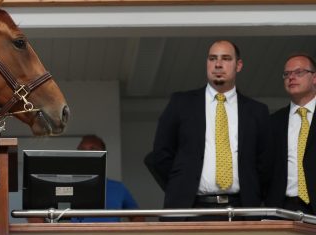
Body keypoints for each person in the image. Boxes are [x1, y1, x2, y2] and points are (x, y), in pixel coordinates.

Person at [144, 40, 270, 213]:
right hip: (189, 210)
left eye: (226, 58)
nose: (218, 64)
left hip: (242, 210)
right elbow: (161, 155)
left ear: (238, 65)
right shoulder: (181, 103)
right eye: (212, 59)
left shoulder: (257, 111)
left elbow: (265, 163)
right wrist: (181, 186)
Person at [265, 53, 316, 215]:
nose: (291, 77)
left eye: (299, 72)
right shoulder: (273, 121)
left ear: (314, 78)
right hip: (283, 207)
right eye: (287, 74)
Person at [75, 135, 144, 222]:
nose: (86, 153)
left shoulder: (118, 188)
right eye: (81, 150)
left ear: (104, 155)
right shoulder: (69, 185)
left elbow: (137, 217)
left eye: (93, 149)